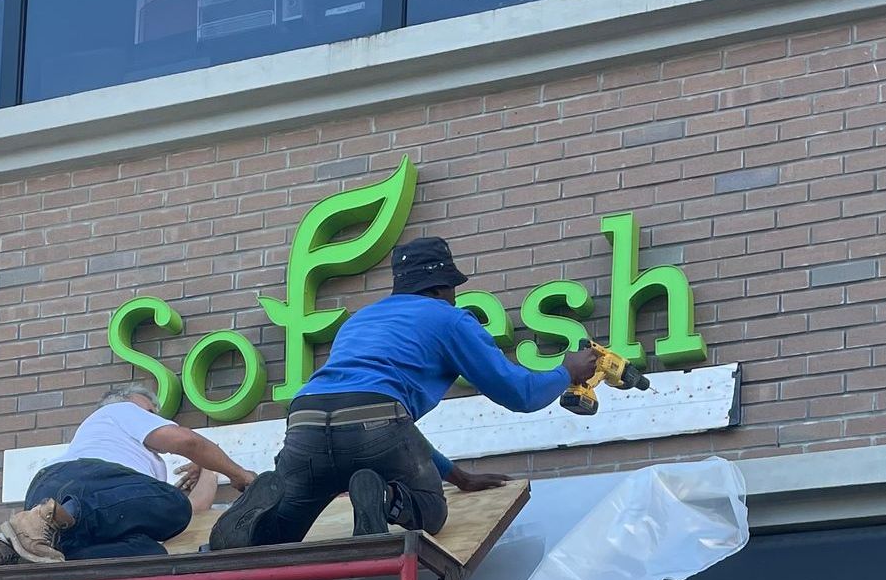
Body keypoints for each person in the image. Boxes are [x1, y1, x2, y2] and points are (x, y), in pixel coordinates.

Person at [209, 235, 597, 550]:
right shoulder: (450, 319)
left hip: (307, 418)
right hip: (376, 420)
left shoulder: (361, 320)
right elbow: (520, 394)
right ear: (444, 286)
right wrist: (567, 371)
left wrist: (455, 474)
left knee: (281, 536)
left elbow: (375, 414)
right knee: (431, 511)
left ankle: (257, 511)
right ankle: (383, 500)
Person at [0, 380, 257, 566]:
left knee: (150, 557)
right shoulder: (117, 412)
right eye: (150, 411)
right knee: (170, 502)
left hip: (61, 503)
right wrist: (240, 474)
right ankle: (46, 517)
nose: (154, 417)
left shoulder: (135, 467)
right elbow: (186, 441)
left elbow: (189, 511)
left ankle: (13, 557)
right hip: (79, 483)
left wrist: (208, 469)